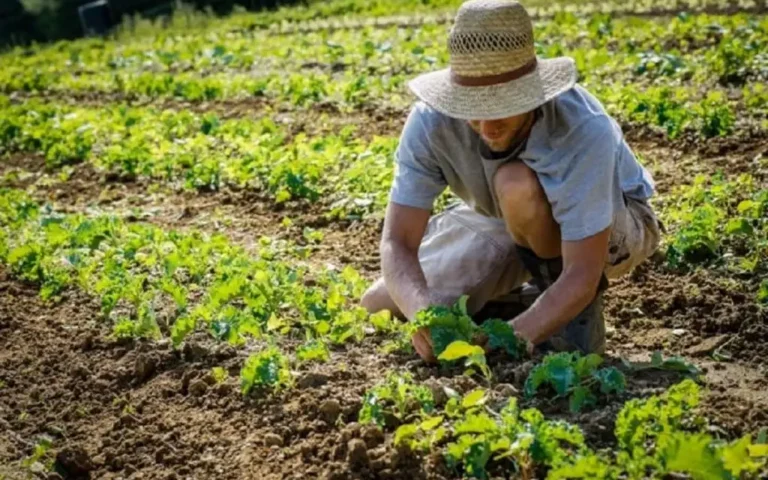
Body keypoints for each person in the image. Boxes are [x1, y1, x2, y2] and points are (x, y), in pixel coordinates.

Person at [360, 0, 661, 362]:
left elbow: (582, 271)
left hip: (611, 226)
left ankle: (571, 320)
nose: (487, 127)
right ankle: (524, 301)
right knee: (381, 302)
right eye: (472, 108)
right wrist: (423, 315)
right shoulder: (431, 122)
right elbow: (397, 242)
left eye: (501, 106)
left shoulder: (581, 127)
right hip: (505, 218)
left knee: (514, 182)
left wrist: (512, 337)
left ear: (532, 93)